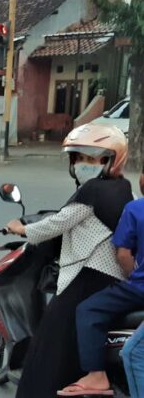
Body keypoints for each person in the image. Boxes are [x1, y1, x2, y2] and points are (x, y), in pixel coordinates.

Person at [6, 124, 132, 398]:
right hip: (116, 278)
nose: (83, 165)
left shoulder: (92, 192)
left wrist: (22, 229)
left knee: (50, 342)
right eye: (79, 159)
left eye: (91, 159)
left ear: (111, 160)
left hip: (89, 275)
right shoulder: (123, 188)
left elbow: (58, 223)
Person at [57, 166, 144, 397]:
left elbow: (123, 254)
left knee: (89, 309)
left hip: (140, 289)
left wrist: (132, 276)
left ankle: (96, 375)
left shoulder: (135, 209)